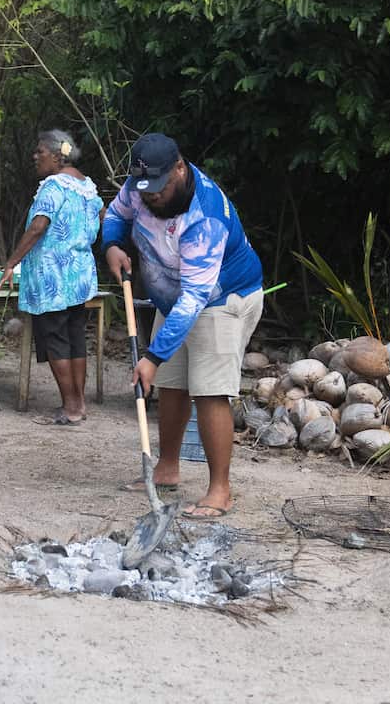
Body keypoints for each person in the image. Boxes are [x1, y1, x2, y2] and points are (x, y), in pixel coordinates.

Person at [102, 133, 264, 520]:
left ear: (179, 168)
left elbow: (195, 298)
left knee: (209, 391)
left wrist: (153, 356)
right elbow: (115, 215)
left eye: (158, 188)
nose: (151, 196)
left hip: (221, 299)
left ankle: (220, 490)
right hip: (173, 300)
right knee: (172, 385)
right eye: (144, 189)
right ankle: (167, 469)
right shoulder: (139, 184)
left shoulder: (204, 218)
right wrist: (112, 245)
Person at [0, 129, 101, 425]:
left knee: (55, 339)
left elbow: (38, 226)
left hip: (53, 277)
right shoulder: (87, 186)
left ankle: (71, 407)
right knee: (75, 338)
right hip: (79, 276)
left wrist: (11, 262)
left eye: (40, 151)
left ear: (57, 156)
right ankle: (78, 402)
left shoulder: (53, 186)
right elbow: (102, 219)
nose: (35, 156)